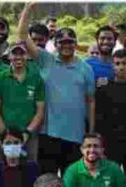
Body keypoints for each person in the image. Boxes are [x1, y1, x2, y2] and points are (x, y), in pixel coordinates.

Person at [18, 3, 95, 176]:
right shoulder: (46, 59)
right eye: (62, 42)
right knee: (47, 179)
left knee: (71, 183)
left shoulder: (86, 68)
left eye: (70, 42)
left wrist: (90, 132)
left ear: (76, 44)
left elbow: (90, 102)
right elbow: (22, 37)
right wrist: (28, 8)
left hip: (76, 135)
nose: (66, 45)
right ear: (56, 44)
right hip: (48, 133)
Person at [0, 43, 45, 162]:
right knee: (1, 169)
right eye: (15, 54)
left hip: (29, 135)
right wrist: (6, 135)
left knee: (29, 171)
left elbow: (40, 111)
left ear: (28, 56)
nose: (18, 57)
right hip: (3, 135)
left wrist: (27, 133)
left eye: (22, 53)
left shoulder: (37, 79)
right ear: (9, 56)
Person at [93, 49, 126, 171]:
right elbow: (99, 117)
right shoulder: (104, 88)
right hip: (111, 142)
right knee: (110, 178)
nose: (121, 67)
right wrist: (100, 143)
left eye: (124, 63)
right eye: (117, 64)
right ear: (112, 66)